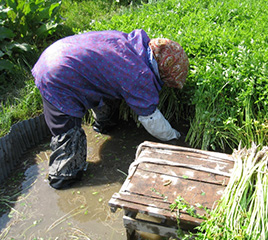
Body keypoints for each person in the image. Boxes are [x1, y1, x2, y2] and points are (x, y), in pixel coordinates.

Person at [32, 29, 189, 189]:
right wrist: (173, 137)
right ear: (162, 71)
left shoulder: (131, 45)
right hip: (57, 76)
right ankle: (62, 177)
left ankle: (104, 124)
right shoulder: (138, 75)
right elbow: (151, 118)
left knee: (107, 88)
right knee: (68, 135)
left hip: (59, 55)